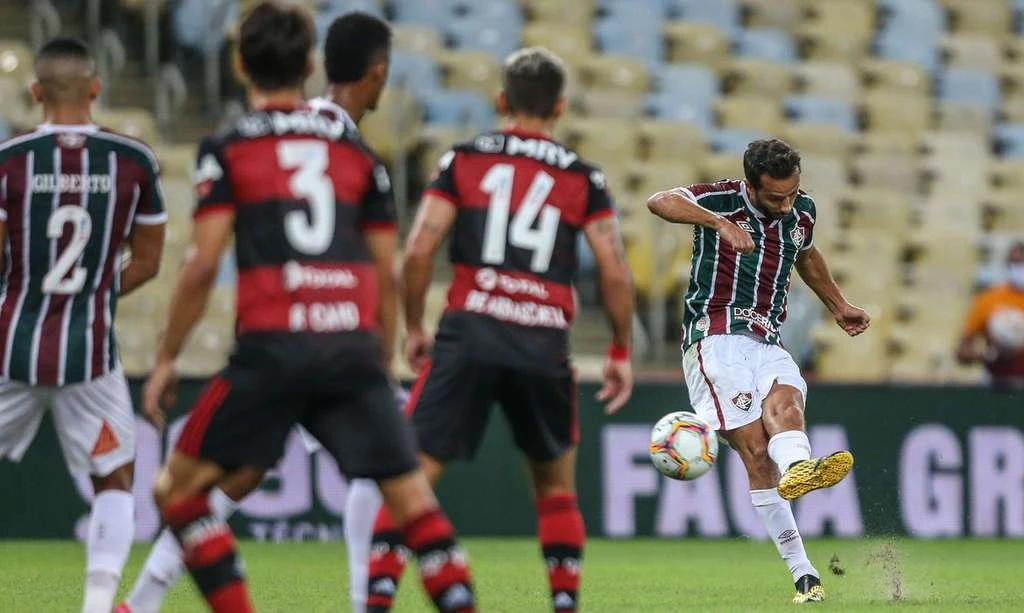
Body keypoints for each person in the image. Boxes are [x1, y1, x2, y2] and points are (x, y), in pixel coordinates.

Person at [141, 4, 475, 612]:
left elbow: (202, 260)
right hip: (343, 342)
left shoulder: (238, 141)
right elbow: (383, 266)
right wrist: (384, 346)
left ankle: (142, 602)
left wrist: (168, 355)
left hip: (276, 344)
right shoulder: (350, 147)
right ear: (315, 64)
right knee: (402, 495)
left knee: (201, 488)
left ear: (240, 63)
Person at [364, 47, 635, 613]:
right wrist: (619, 349)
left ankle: (378, 599)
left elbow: (418, 251)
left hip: (471, 331)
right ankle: (563, 604)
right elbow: (613, 268)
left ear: (501, 101)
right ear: (560, 107)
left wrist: (414, 326)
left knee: (410, 479)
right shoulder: (583, 177)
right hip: (542, 343)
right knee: (556, 490)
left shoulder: (463, 159)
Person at [646, 138, 869, 604]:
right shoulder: (720, 199)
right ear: (750, 185)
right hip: (715, 338)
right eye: (774, 198)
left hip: (767, 337)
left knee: (787, 407)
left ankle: (800, 470)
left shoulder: (801, 210)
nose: (786, 205)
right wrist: (718, 224)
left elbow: (805, 253)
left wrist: (838, 304)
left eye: (792, 194)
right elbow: (659, 201)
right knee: (756, 453)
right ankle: (803, 572)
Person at [0, 37, 166, 613]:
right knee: (114, 481)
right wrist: (94, 286)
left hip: (9, 348)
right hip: (90, 353)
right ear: (96, 88)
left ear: (35, 91)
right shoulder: (135, 161)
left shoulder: (9, 160)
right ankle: (97, 607)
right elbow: (147, 259)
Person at [956, 240, 1024, 389]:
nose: (1019, 269)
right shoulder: (989, 299)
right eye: (1014, 263)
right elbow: (961, 351)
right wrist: (988, 354)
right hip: (995, 381)